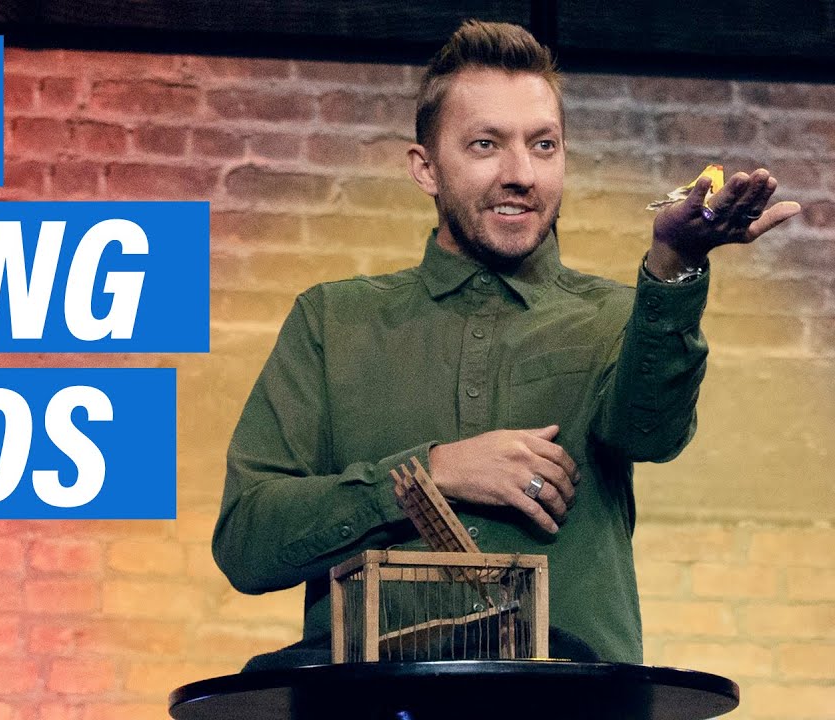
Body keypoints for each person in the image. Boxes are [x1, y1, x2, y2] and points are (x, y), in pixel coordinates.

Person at [213, 19, 801, 668]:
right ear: (426, 168)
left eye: (543, 145)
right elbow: (247, 541)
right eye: (486, 144)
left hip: (576, 713)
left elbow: (653, 435)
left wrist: (674, 265)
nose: (520, 173)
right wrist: (432, 474)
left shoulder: (617, 317)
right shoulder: (333, 321)